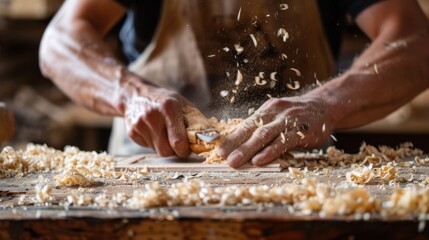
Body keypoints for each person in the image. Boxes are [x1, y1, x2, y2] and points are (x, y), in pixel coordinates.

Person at [39, 0, 429, 168]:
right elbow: (60, 42)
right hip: (149, 171)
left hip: (296, 173)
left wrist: (323, 105)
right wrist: (131, 95)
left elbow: (416, 43)